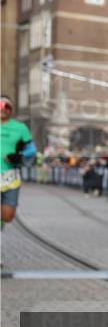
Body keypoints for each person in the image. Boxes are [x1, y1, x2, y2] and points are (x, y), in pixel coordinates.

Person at [1, 95, 37, 228]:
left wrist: (18, 155)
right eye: (0, 106)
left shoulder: (20, 128)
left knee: (7, 216)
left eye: (7, 106)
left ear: (11, 110)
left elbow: (32, 149)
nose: (3, 109)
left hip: (10, 176)